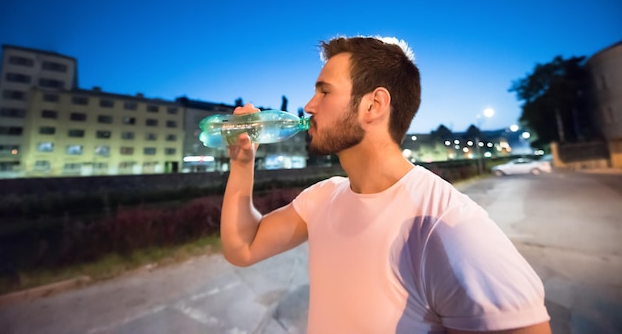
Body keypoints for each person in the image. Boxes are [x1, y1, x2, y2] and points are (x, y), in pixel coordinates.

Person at [220, 36, 552, 333]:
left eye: (324, 91)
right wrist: (242, 162)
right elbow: (243, 247)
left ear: (374, 105)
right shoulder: (322, 197)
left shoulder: (446, 224)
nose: (308, 106)